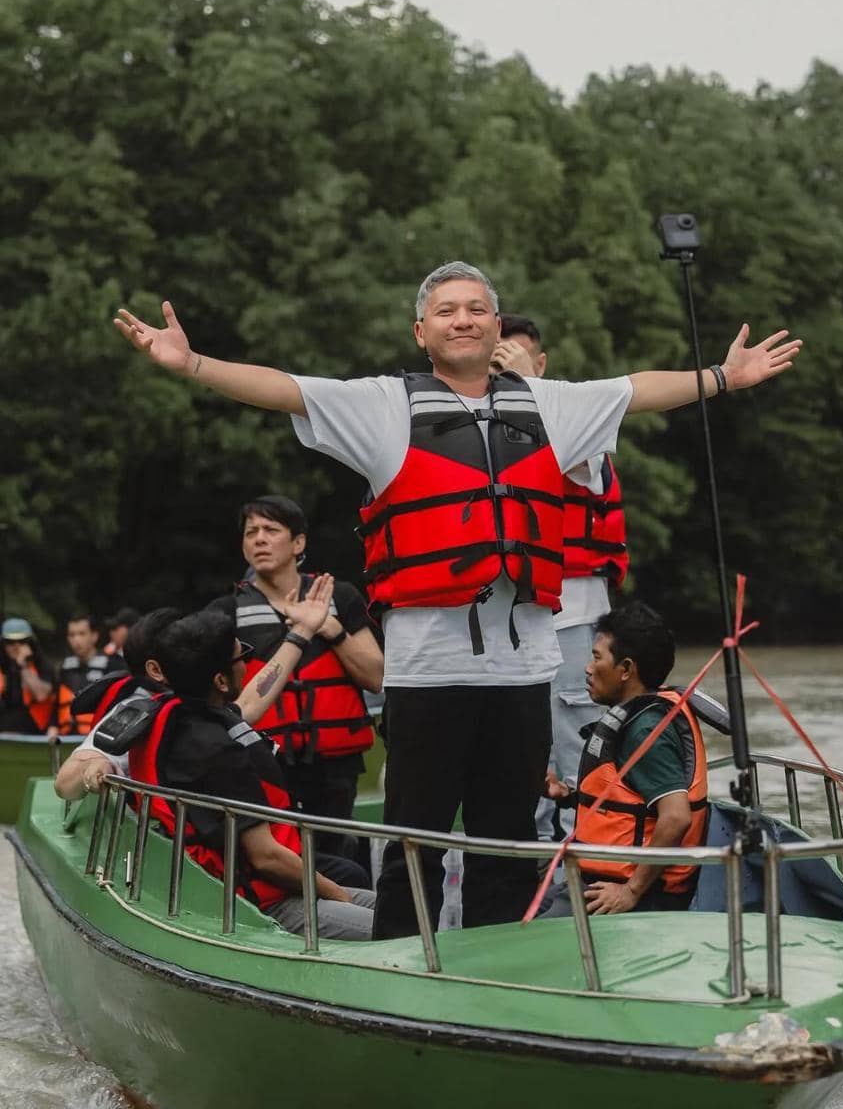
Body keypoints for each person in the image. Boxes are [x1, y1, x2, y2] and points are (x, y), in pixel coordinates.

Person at [114, 259, 800, 938]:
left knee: (505, 843)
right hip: (428, 672)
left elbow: (638, 389)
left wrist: (722, 377)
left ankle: (493, 974)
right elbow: (284, 388)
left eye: (476, 309)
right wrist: (192, 363)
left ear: (496, 325)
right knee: (416, 844)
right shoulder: (383, 406)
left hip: (523, 671)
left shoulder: (550, 404)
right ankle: (397, 971)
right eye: (446, 310)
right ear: (421, 331)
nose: (463, 320)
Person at [131, 590, 375, 939]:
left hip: (231, 885)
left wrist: (300, 634)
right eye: (242, 655)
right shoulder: (218, 752)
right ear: (220, 680)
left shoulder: (175, 718)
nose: (249, 663)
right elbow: (266, 859)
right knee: (394, 926)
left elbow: (256, 694)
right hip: (257, 902)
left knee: (392, 905)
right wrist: (339, 896)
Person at [493, 313, 628, 845]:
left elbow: (582, 467)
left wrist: (530, 384)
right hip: (505, 621)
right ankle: (525, 870)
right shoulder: (475, 428)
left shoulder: (575, 419)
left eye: (516, 357)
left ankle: (583, 863)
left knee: (576, 744)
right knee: (516, 752)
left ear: (541, 363)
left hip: (572, 615)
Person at [209, 495, 382, 851]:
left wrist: (330, 629)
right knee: (281, 856)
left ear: (298, 542)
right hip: (263, 762)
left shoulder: (341, 597)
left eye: (271, 530)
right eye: (250, 532)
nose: (259, 538)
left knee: (337, 855)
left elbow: (377, 677)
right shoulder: (225, 613)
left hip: (335, 767)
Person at [542, 602, 707, 915]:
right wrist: (568, 795)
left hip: (632, 894)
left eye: (597, 657)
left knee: (521, 946)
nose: (588, 669)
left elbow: (676, 817)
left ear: (627, 669)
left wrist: (630, 892)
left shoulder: (646, 730)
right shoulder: (637, 717)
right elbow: (629, 798)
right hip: (595, 880)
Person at [54, 606, 181, 799]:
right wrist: (98, 765)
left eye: (81, 633)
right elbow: (65, 782)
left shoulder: (223, 703)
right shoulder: (138, 707)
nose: (76, 640)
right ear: (154, 669)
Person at [53, 613, 126, 735]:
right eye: (72, 635)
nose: (76, 640)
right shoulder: (65, 667)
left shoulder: (114, 664)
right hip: (67, 736)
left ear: (94, 636)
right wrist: (53, 726)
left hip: (98, 737)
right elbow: (57, 703)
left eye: (81, 634)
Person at [0, 617, 56, 734]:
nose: (16, 646)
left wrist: (23, 666)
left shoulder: (42, 664)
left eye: (22, 641)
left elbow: (41, 695)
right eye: (10, 642)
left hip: (35, 733)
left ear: (30, 643)